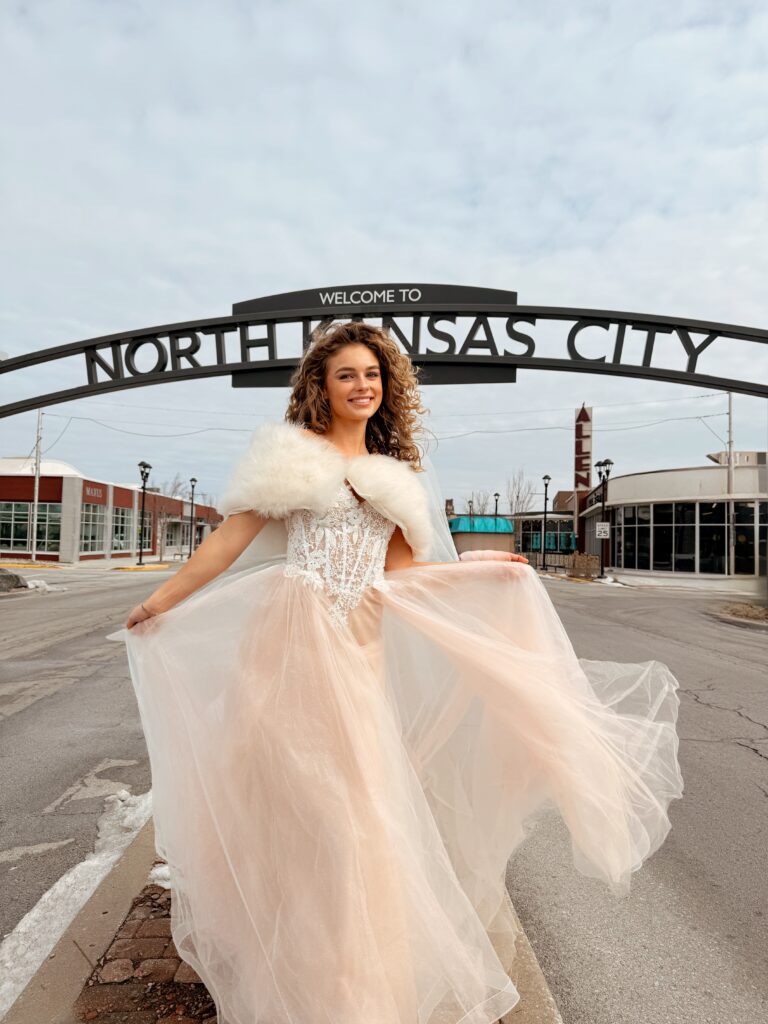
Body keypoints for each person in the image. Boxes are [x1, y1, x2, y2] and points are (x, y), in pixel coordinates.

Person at [117, 320, 683, 1024]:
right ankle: (285, 967)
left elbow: (408, 579)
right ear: (320, 386)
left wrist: (481, 570)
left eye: (372, 375)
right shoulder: (290, 460)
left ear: (387, 389)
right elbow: (223, 548)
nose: (362, 385)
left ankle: (353, 991)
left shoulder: (394, 479)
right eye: (346, 374)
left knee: (357, 824)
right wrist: (158, 603)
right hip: (288, 651)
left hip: (356, 657)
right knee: (298, 815)